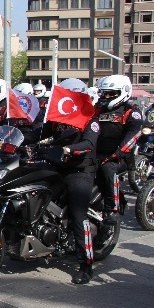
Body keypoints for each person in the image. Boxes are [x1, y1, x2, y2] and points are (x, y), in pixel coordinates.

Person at [38, 78, 99, 284]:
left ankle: (86, 264)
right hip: (56, 167)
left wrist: (69, 149)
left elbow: (89, 144)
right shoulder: (54, 118)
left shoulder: (90, 119)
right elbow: (41, 137)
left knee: (77, 215)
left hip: (79, 171)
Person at [95, 75, 141, 224]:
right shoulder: (98, 109)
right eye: (105, 93)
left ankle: (111, 209)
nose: (106, 97)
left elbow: (133, 135)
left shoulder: (131, 112)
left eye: (111, 94)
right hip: (97, 153)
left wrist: (118, 153)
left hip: (119, 157)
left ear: (124, 91)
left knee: (108, 169)